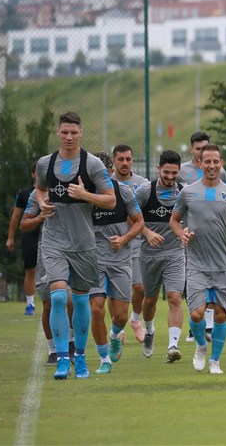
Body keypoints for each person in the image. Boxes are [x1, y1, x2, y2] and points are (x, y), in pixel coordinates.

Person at [35, 111, 116, 380]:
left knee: (81, 302)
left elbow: (111, 200)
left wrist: (84, 195)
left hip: (83, 243)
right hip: (54, 240)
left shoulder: (92, 164)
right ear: (58, 133)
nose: (69, 137)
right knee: (58, 297)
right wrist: (44, 203)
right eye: (64, 132)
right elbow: (40, 188)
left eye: (73, 132)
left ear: (81, 133)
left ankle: (80, 357)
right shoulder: (45, 163)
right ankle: (62, 359)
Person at [170, 144, 226, 375]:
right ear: (200, 163)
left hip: (223, 264)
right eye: (207, 162)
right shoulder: (188, 192)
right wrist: (180, 233)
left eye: (216, 162)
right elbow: (175, 220)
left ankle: (215, 361)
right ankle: (202, 346)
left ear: (221, 163)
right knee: (196, 313)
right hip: (196, 263)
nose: (212, 166)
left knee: (221, 314)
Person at [89, 152, 144, 374]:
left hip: (120, 258)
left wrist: (123, 239)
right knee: (96, 309)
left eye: (103, 173)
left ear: (110, 172)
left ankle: (114, 336)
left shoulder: (124, 192)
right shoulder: (86, 195)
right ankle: (104, 359)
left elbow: (139, 223)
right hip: (93, 259)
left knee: (120, 315)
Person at [135, 150, 185, 363]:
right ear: (159, 169)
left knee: (175, 297)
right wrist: (146, 232)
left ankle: (173, 346)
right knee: (150, 299)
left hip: (175, 253)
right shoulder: (145, 191)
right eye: (166, 172)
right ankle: (149, 331)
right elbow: (130, 216)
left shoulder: (184, 192)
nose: (171, 177)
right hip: (148, 254)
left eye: (174, 173)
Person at [179, 131, 226, 343]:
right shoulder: (182, 172)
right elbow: (178, 204)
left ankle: (207, 326)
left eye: (205, 148)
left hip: (214, 238)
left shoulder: (222, 174)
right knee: (195, 279)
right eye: (198, 149)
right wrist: (181, 230)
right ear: (192, 150)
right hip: (189, 237)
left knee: (213, 283)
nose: (202, 153)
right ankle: (196, 325)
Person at [21, 190, 75, 365]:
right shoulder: (39, 193)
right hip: (49, 248)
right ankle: (53, 350)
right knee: (49, 303)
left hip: (77, 246)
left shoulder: (80, 183)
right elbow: (24, 224)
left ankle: (72, 343)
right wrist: (39, 218)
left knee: (74, 300)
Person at [111, 144, 150, 344]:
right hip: (112, 244)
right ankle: (116, 328)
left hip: (136, 244)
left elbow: (143, 216)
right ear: (114, 161)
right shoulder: (106, 184)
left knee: (141, 287)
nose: (125, 163)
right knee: (115, 292)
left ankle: (135, 320)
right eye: (121, 159)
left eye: (128, 159)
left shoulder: (142, 184)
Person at [7, 162, 40, 316]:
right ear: (33, 174)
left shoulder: (53, 192)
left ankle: (56, 301)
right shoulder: (24, 194)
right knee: (30, 270)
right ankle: (30, 304)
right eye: (38, 172)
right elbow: (16, 216)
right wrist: (10, 238)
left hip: (50, 236)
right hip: (30, 236)